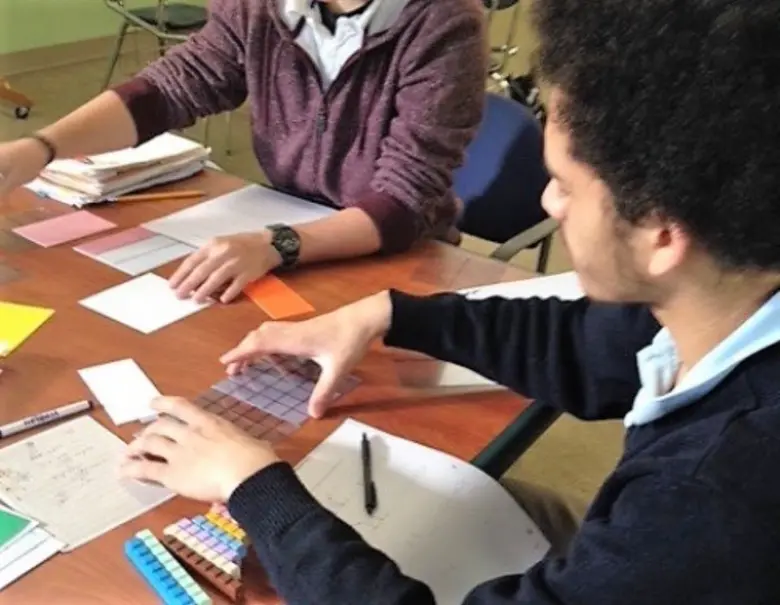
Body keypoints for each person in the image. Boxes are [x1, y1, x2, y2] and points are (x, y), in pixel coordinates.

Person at [121, 0, 780, 602]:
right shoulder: (721, 300)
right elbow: (589, 344)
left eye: (565, 185)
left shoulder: (710, 496)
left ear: (662, 235)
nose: (549, 204)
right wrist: (388, 313)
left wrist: (253, 486)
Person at [0, 0, 487, 303]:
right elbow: (167, 91)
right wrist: (41, 147)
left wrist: (279, 244)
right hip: (287, 230)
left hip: (392, 254)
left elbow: (404, 202)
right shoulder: (259, 7)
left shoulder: (443, 20)